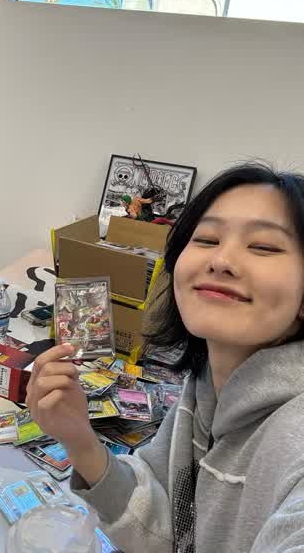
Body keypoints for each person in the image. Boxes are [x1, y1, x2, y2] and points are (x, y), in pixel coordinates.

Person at [26, 163, 304, 553]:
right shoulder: (204, 390)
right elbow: (167, 530)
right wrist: (80, 440)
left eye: (263, 246)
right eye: (206, 239)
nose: (221, 260)